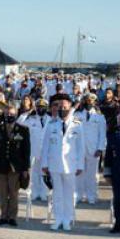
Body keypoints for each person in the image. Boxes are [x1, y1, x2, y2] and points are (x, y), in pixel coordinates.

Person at [40, 94, 84, 231]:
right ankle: (58, 218)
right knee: (57, 193)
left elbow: (81, 147)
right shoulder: (51, 124)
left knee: (69, 194)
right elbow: (45, 145)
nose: (62, 109)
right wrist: (44, 164)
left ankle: (67, 219)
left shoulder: (77, 124)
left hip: (71, 165)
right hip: (54, 164)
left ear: (70, 108)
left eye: (65, 107)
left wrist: (80, 165)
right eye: (60, 107)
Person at [0, 103, 31, 226]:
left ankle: (12, 217)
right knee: (2, 193)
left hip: (16, 167)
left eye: (12, 114)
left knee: (13, 193)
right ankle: (3, 215)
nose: (9, 116)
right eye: (7, 114)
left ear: (16, 114)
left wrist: (25, 168)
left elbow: (26, 151)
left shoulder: (23, 130)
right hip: (1, 166)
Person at [74, 93, 106, 204]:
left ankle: (91, 196)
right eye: (87, 101)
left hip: (94, 149)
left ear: (95, 103)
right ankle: (78, 195)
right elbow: (73, 132)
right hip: (79, 148)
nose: (89, 103)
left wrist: (100, 148)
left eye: (91, 101)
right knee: (79, 173)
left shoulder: (100, 117)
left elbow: (102, 134)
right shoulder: (77, 115)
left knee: (92, 175)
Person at [18, 98, 51, 201]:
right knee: (33, 173)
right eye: (39, 107)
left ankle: (44, 193)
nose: (41, 109)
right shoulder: (30, 119)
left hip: (46, 151)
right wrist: (28, 111)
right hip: (33, 151)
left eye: (43, 107)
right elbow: (19, 122)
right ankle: (34, 192)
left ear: (46, 108)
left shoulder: (51, 119)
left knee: (45, 173)